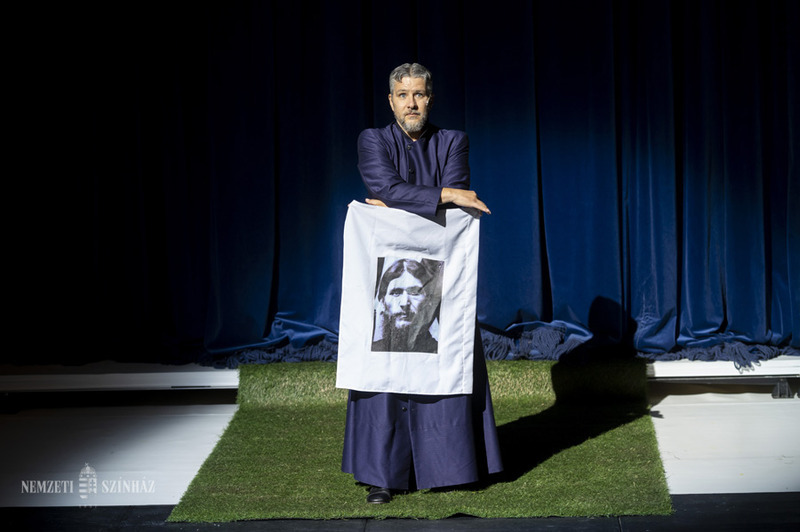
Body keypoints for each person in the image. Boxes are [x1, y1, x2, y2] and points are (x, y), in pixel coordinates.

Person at [341, 62, 503, 504]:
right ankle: (383, 475)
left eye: (419, 94)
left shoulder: (453, 141)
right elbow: (387, 186)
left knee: (445, 355)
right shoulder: (373, 140)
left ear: (430, 99)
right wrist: (443, 195)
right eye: (403, 95)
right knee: (385, 367)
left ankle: (450, 466)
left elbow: (434, 201)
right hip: (386, 272)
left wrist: (400, 201)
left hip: (440, 270)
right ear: (391, 101)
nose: (411, 103)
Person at [372, 258, 441, 354]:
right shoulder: (371, 351)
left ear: (428, 301)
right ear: (383, 302)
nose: (404, 303)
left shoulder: (441, 351)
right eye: (396, 293)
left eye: (414, 292)